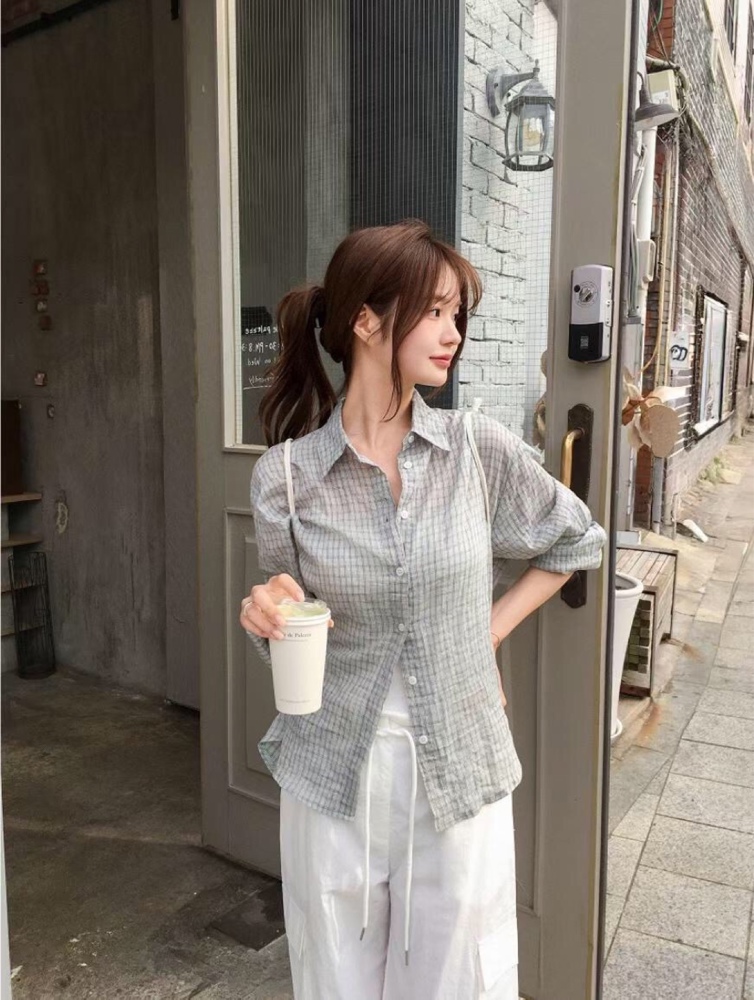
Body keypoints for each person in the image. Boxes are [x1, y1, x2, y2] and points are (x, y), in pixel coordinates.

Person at [239, 219, 606, 999]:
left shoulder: (475, 449)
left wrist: (487, 631)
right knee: (335, 978)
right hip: (334, 769)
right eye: (435, 312)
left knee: (456, 979)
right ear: (366, 322)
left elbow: (577, 540)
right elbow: (289, 619)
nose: (453, 334)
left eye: (456, 314)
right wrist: (268, 612)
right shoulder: (288, 478)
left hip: (459, 764)